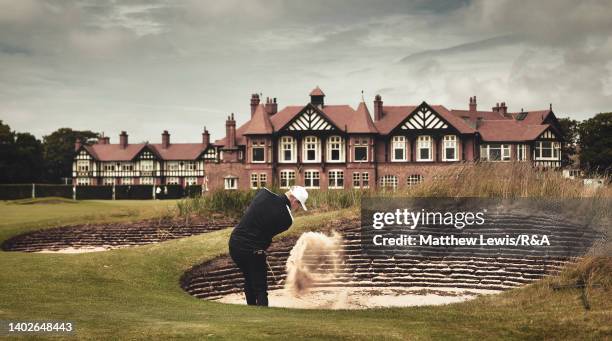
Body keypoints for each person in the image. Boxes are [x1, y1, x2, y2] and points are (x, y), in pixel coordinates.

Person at [228, 186, 308, 306]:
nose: (298, 208)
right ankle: (262, 318)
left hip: (234, 244)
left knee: (249, 278)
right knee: (260, 288)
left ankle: (251, 310)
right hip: (253, 250)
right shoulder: (288, 220)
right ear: (294, 200)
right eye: (299, 205)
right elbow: (267, 235)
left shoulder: (264, 193)